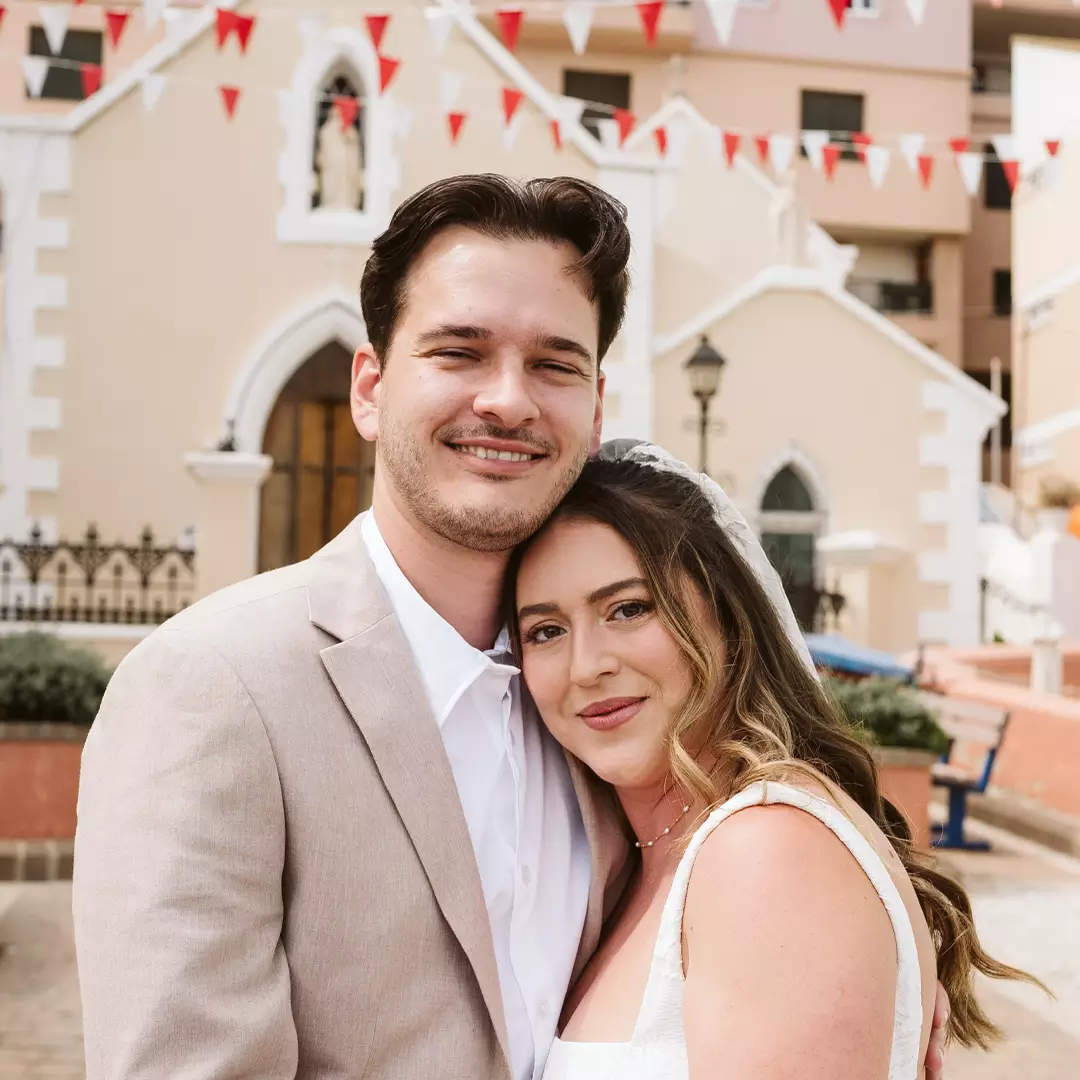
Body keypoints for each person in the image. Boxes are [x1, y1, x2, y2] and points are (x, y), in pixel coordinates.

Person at [72, 175, 951, 1080]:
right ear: (369, 388)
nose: (507, 400)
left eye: (554, 364)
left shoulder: (612, 730)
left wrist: (845, 971)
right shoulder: (213, 688)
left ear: (597, 407)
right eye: (461, 350)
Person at [507, 443, 1043, 1080]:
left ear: (729, 619)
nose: (585, 665)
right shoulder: (648, 857)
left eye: (629, 609)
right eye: (546, 630)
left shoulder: (768, 853)